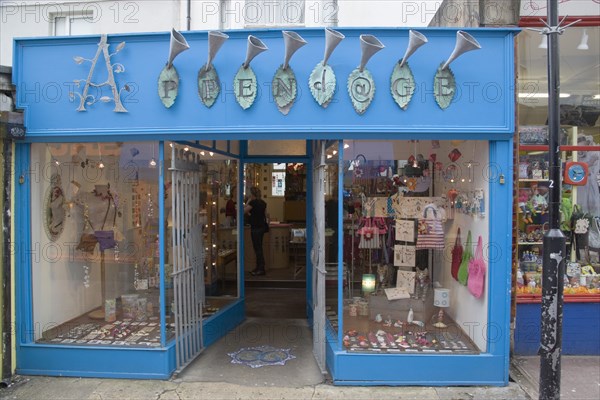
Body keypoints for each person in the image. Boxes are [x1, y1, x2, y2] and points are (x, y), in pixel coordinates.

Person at [244, 187, 268, 276]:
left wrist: (247, 202)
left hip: (255, 228)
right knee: (259, 248)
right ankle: (258, 267)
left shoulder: (253, 202)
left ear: (251, 194)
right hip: (261, 227)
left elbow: (243, 211)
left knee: (257, 249)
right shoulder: (263, 203)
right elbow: (266, 215)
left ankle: (261, 268)